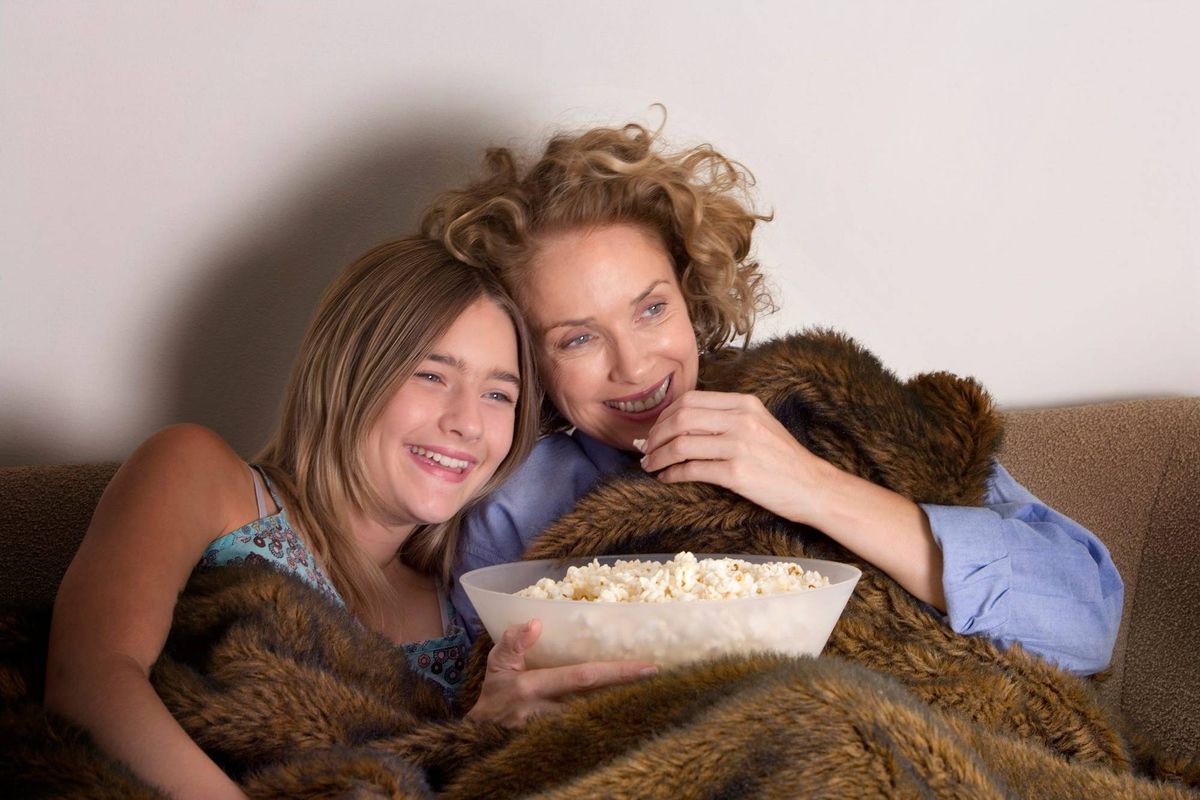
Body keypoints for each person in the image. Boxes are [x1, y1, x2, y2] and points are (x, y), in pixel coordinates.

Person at [421, 120, 1124, 694]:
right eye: (578, 338)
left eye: (651, 309)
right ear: (529, 359)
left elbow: (1086, 623)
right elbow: (484, 700)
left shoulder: (829, 405)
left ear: (691, 292)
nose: (634, 366)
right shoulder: (510, 508)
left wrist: (809, 485)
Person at [43, 237, 654, 800]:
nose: (468, 423)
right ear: (350, 372)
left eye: (499, 394)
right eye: (432, 375)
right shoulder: (199, 473)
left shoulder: (466, 606)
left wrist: (477, 734)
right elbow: (90, 678)